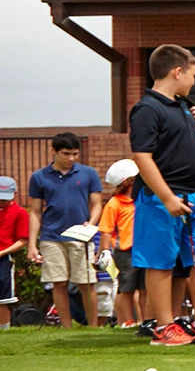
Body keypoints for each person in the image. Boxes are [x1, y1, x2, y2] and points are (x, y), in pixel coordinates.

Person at [128, 46, 195, 346]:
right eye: (192, 74)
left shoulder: (183, 107)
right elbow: (143, 157)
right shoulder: (147, 109)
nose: (192, 81)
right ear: (177, 71)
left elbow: (193, 154)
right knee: (160, 262)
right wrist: (167, 198)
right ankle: (164, 327)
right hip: (161, 198)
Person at [26, 132, 105, 329]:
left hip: (80, 235)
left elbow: (97, 204)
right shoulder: (39, 177)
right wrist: (32, 245)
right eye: (66, 153)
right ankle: (66, 327)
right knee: (58, 283)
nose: (71, 158)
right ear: (54, 151)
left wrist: (92, 223)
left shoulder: (88, 173)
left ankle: (94, 327)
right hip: (51, 236)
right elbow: (35, 212)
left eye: (75, 154)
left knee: (86, 283)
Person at [97, 160, 141, 327]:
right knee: (127, 288)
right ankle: (127, 321)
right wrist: (104, 251)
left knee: (143, 288)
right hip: (125, 252)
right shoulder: (114, 204)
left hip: (142, 248)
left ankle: (144, 321)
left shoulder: (141, 199)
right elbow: (106, 229)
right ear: (128, 181)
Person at [0, 177, 28, 329]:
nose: (1, 202)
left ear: (15, 194)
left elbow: (23, 240)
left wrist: (3, 252)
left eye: (4, 199)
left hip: (4, 258)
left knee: (3, 298)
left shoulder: (19, 213)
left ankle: (3, 329)